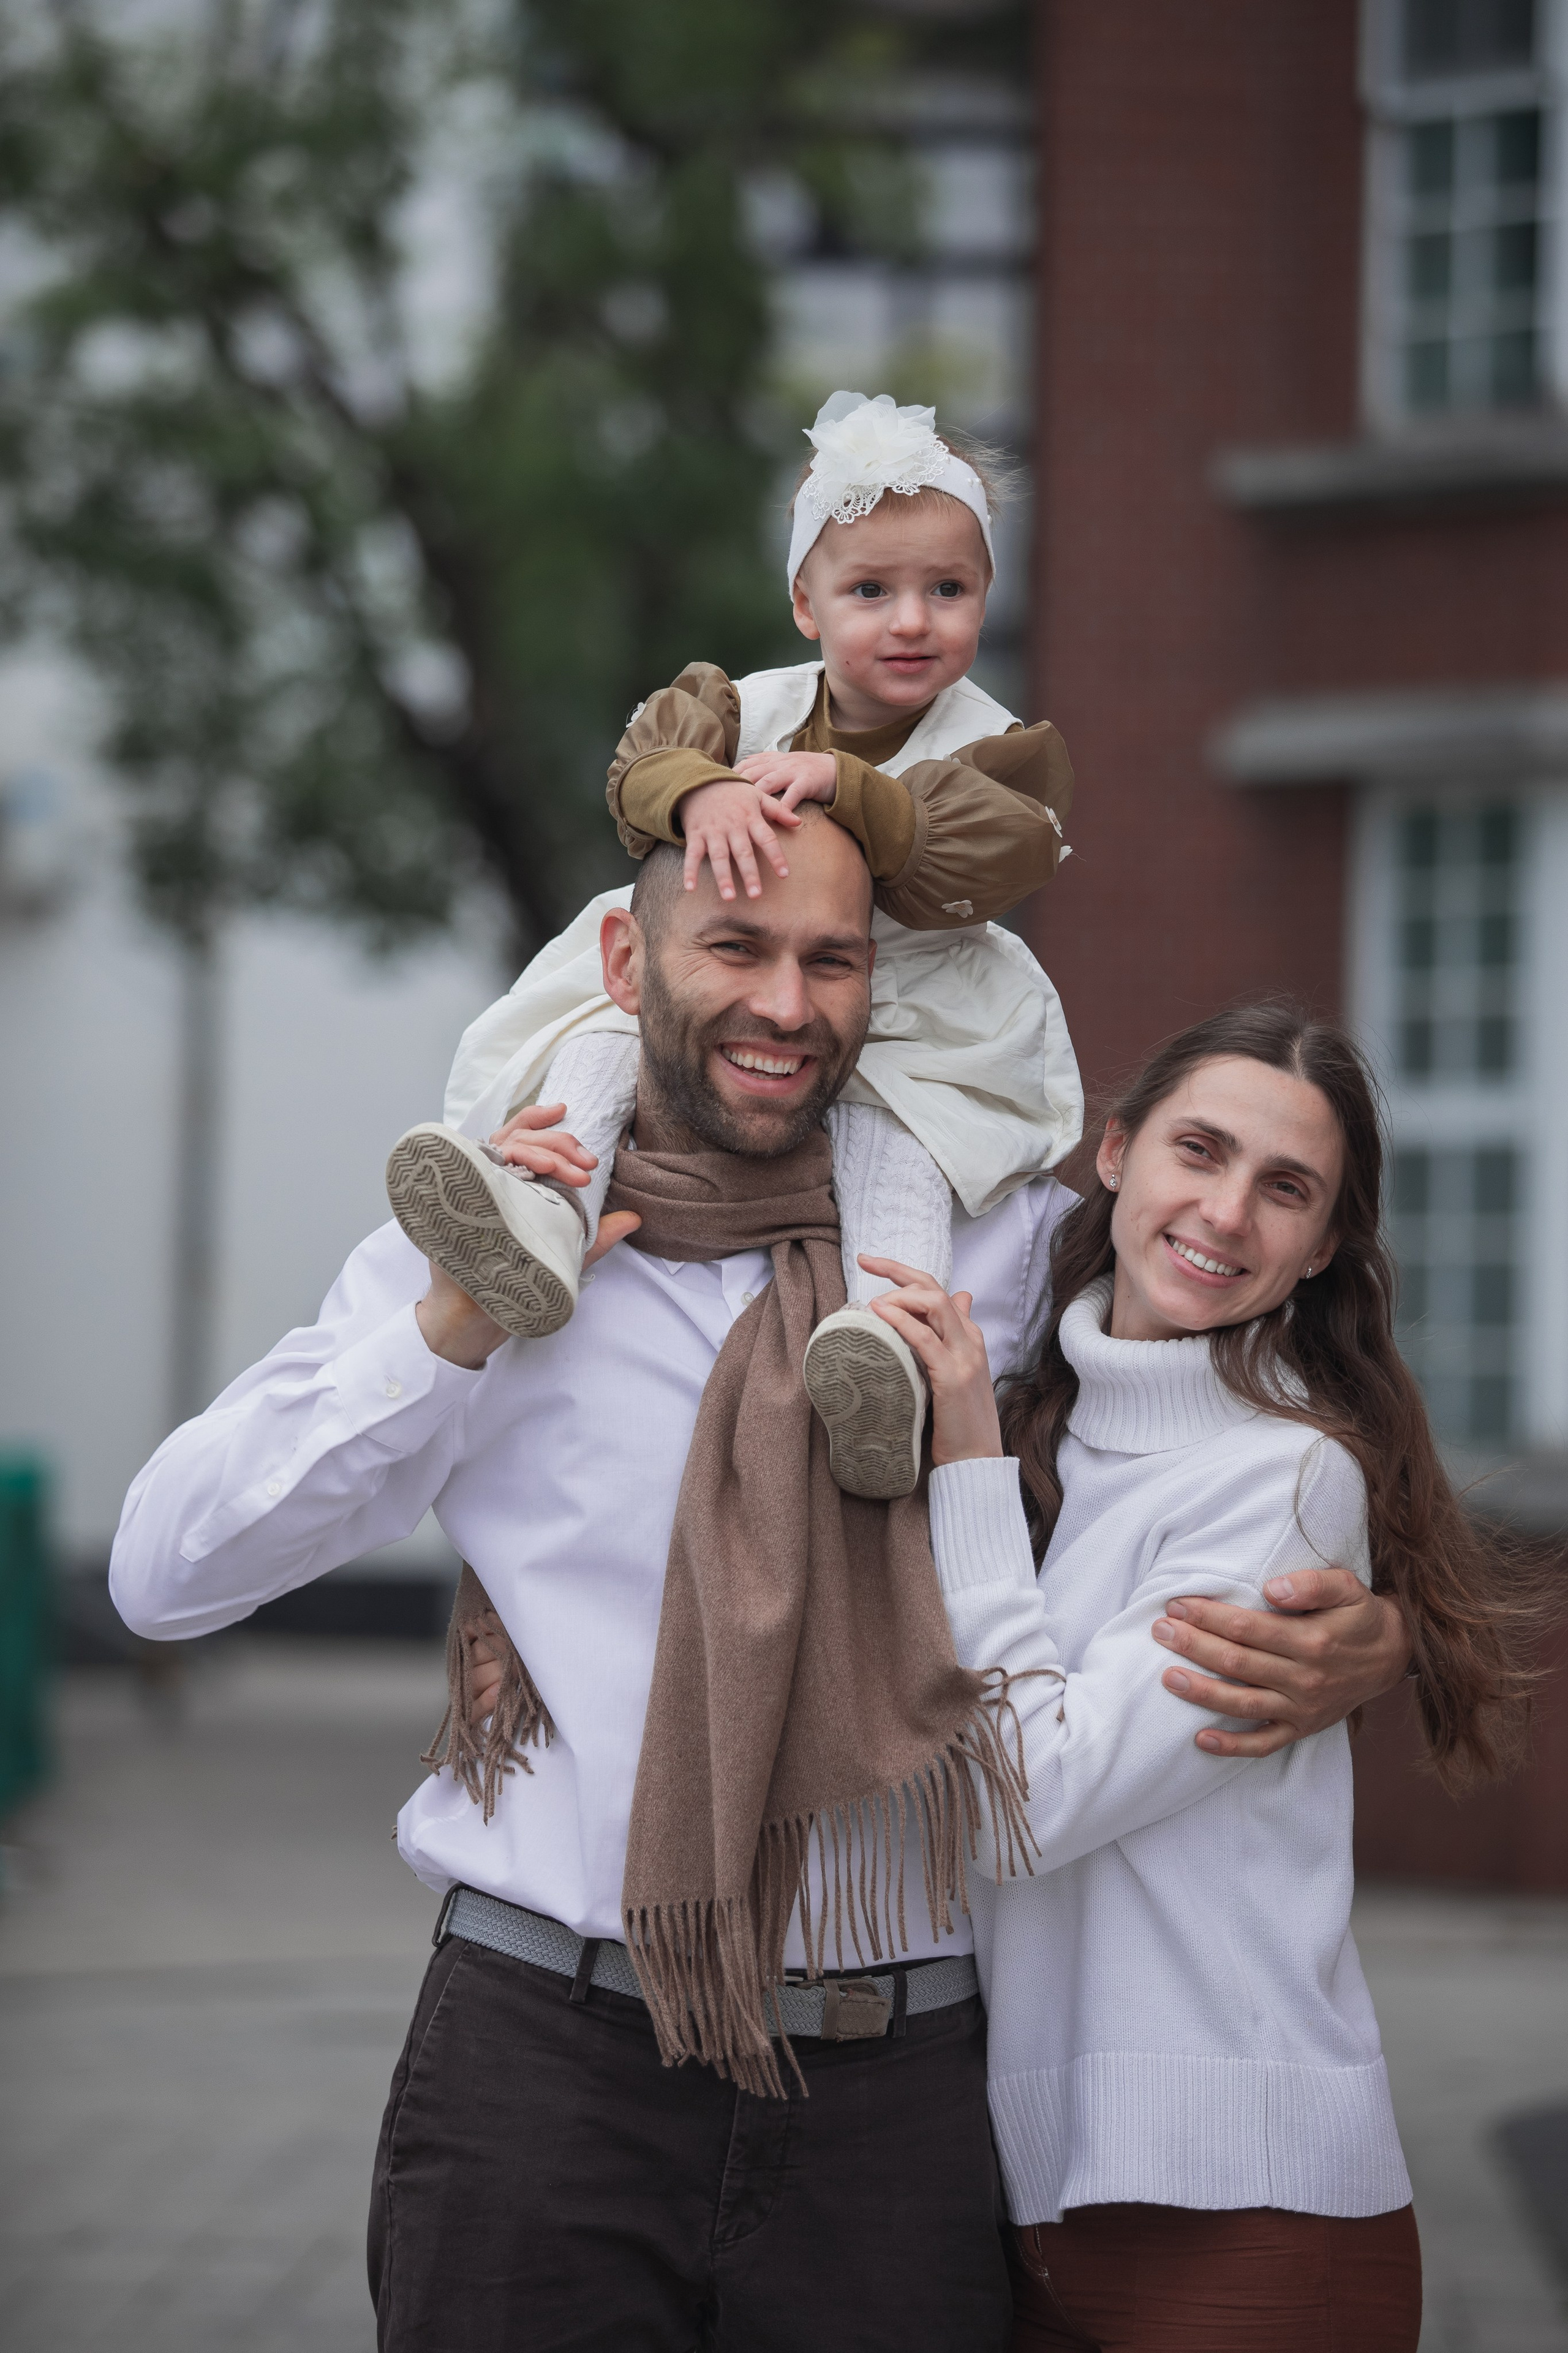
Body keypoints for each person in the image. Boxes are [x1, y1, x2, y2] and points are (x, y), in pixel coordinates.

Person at [109, 828, 1412, 2353]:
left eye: (830, 959)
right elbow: (164, 1572)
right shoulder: (496, 1237)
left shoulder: (987, 1257)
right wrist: (444, 1331)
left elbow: (1214, 1440)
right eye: (734, 946)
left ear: (878, 987)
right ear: (624, 963)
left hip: (897, 2099)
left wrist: (1367, 1630)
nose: (785, 1003)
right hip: (550, 2068)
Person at [864, 1005, 1545, 2352]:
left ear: (1324, 1246)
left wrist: (960, 1468)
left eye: (1283, 1188)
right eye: (1198, 1150)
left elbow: (1019, 1805)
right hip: (1046, 2198)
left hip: (1243, 2220)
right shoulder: (1035, 1422)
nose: (1225, 1212)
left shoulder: (1279, 1476)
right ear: (1114, 1152)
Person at [384, 387, 1080, 1502]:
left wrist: (858, 792)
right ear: (806, 603)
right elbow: (640, 765)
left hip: (911, 1005)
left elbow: (1006, 851)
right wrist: (698, 794)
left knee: (904, 1140)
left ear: (986, 597)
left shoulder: (994, 747)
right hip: (729, 978)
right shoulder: (743, 705)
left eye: (946, 590)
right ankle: (543, 1219)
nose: (911, 621)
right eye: (871, 591)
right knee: (610, 1041)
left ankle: (887, 1345)